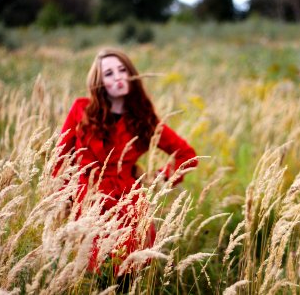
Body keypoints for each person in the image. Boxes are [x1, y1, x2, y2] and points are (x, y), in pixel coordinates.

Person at [52, 48, 197, 273]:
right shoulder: (81, 109)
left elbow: (187, 155)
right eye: (109, 74)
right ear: (99, 83)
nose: (118, 76)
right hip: (87, 200)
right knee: (91, 274)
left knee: (128, 273)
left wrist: (160, 177)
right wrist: (61, 199)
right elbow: (60, 157)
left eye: (122, 70)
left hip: (128, 204)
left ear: (131, 75)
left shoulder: (143, 119)